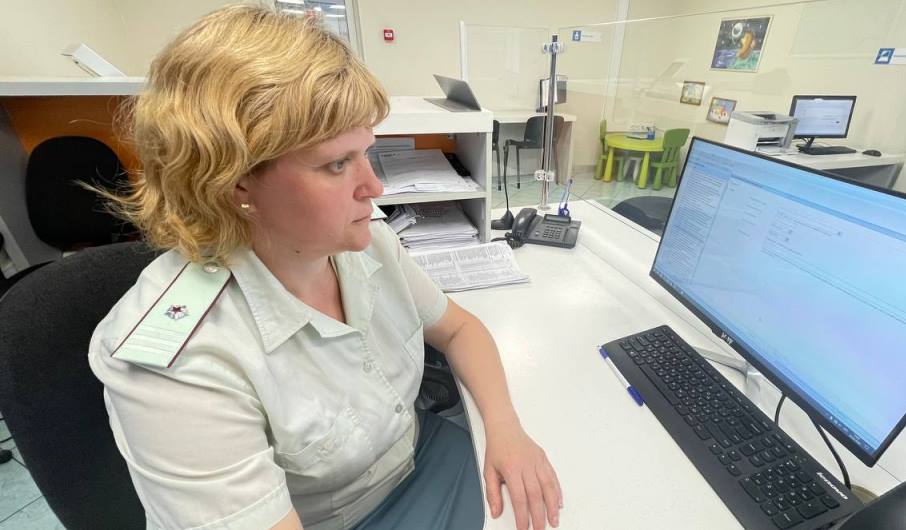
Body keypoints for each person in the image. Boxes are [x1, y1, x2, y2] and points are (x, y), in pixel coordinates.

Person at [88, 6, 561, 530]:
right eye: (337, 164)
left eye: (366, 153)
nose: (374, 187)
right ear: (234, 181)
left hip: (419, 458)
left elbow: (458, 328)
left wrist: (506, 428)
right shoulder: (180, 366)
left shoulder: (360, 242)